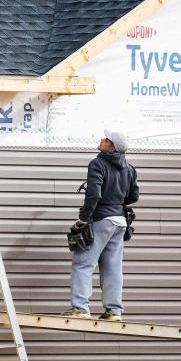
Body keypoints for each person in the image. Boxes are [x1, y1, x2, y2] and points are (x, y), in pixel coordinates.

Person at [62, 129, 139, 321]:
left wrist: (84, 218)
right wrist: (116, 201)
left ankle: (80, 308)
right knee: (113, 268)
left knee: (83, 264)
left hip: (101, 219)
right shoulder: (129, 168)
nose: (102, 140)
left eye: (106, 139)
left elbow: (93, 194)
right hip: (120, 222)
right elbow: (133, 196)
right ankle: (114, 311)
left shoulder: (98, 163)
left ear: (111, 146)